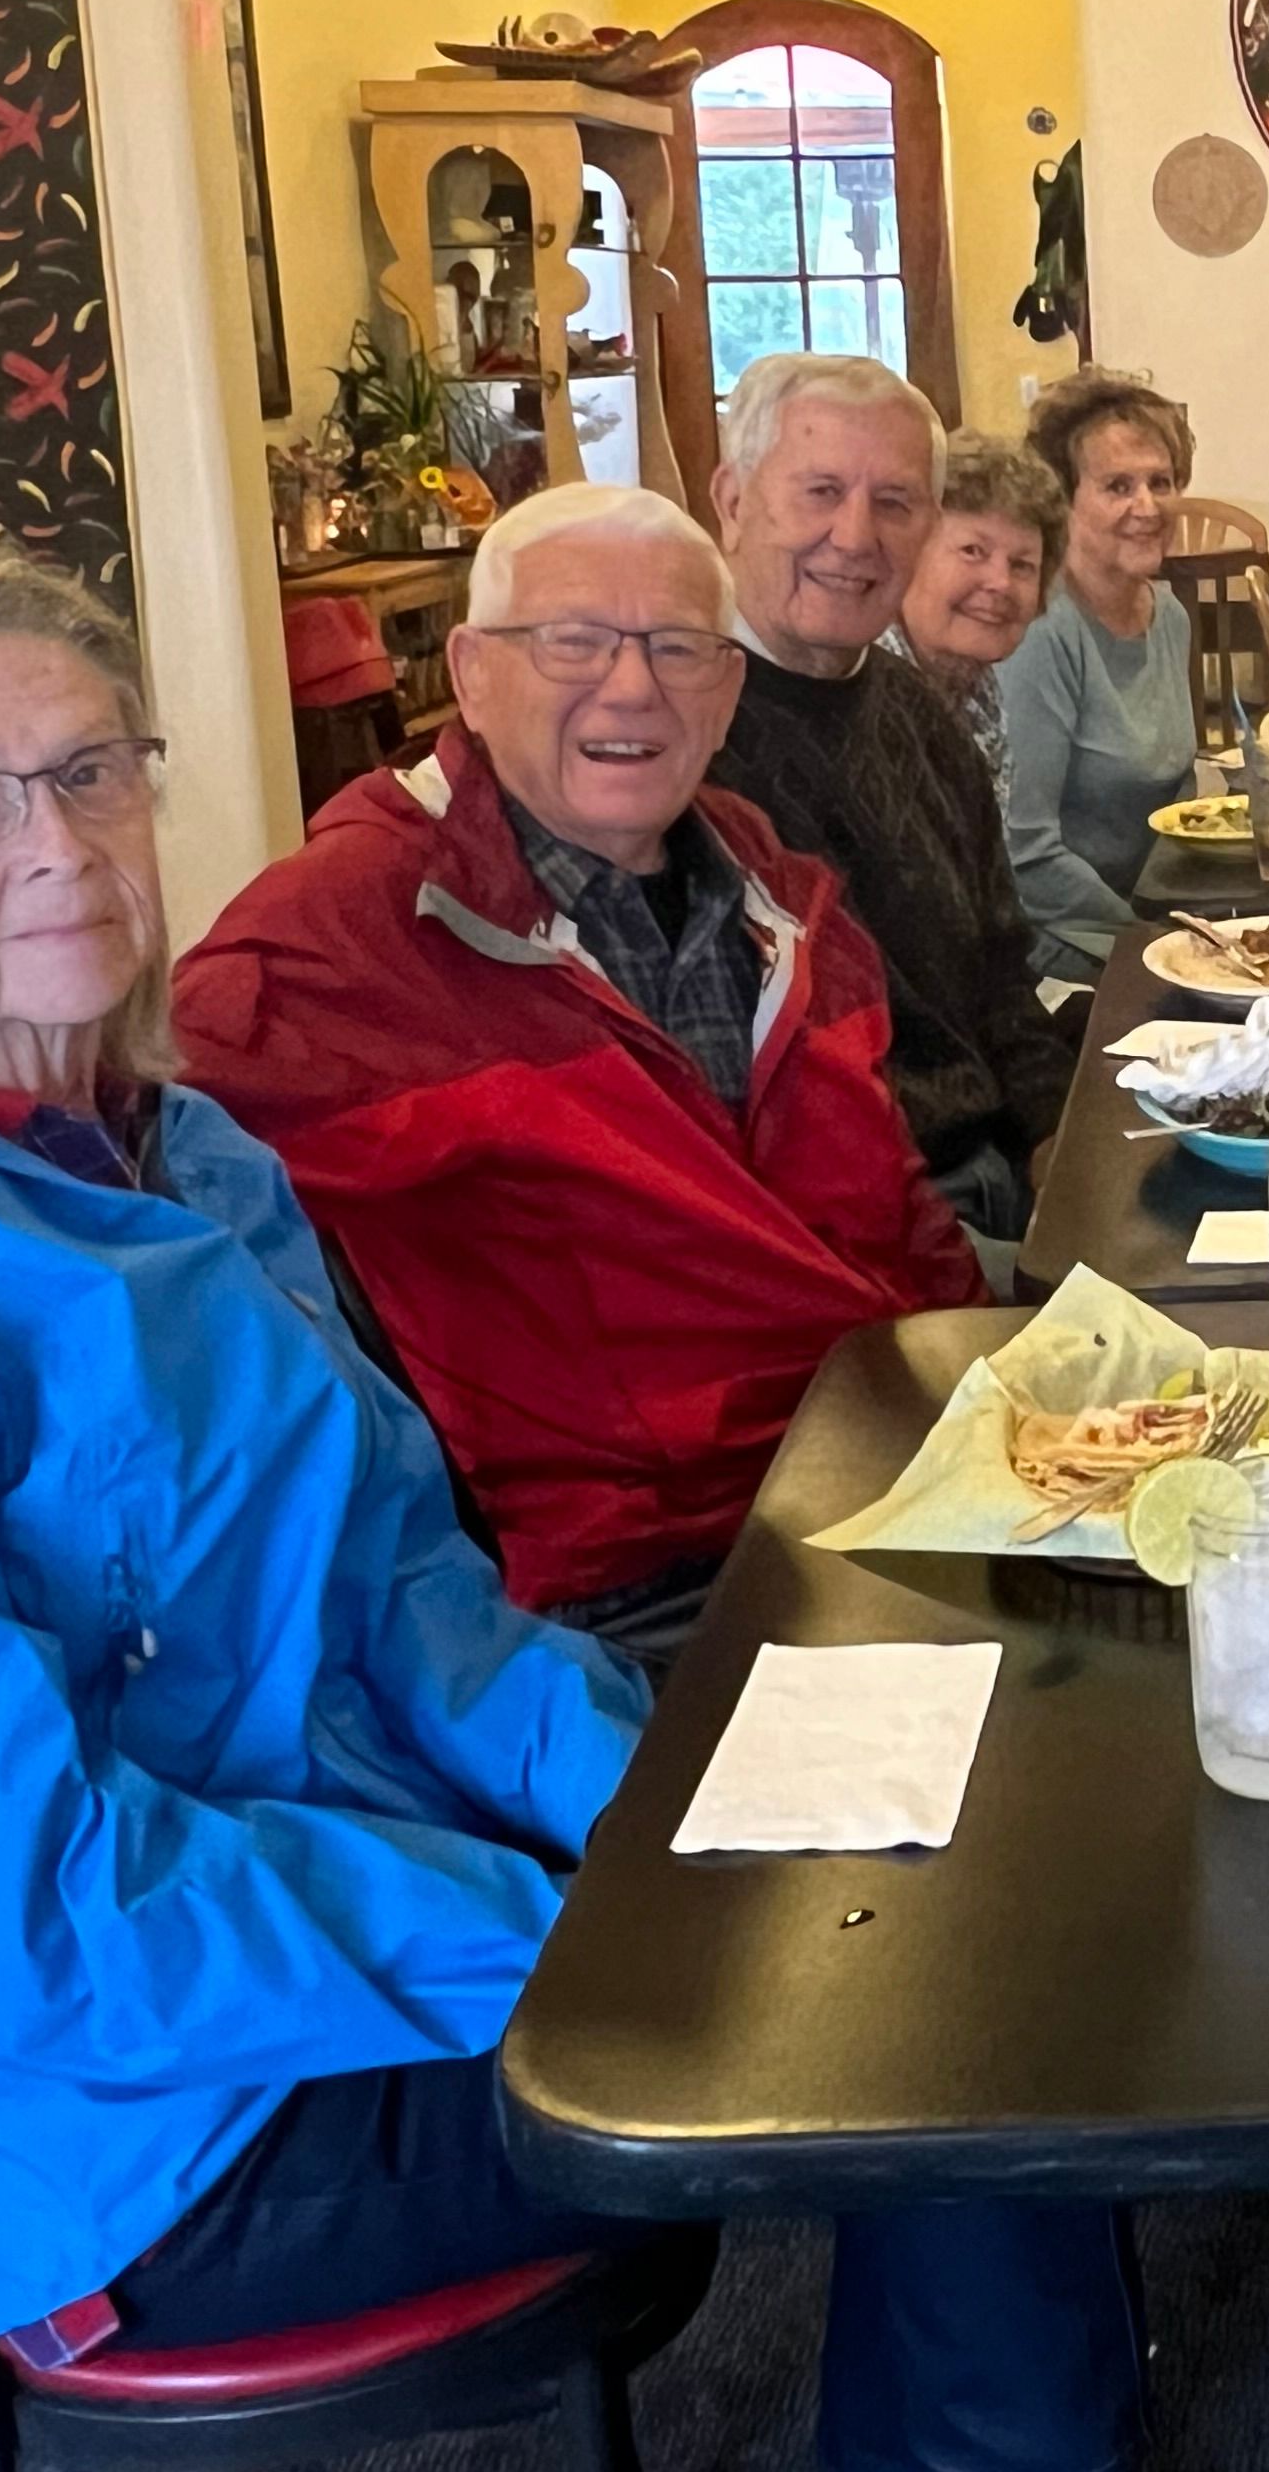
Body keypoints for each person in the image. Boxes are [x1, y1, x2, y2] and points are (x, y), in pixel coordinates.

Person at [0, 552, 1142, 2463]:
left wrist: (691, 1790)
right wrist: (558, 1920)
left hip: (378, 1914)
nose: (51, 841)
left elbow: (411, 1604)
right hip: (177, 2122)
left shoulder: (175, 1149)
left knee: (976, 1850)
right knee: (950, 2042)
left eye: (90, 772)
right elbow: (2, 1919)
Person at [174, 484, 982, 1658]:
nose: (631, 687)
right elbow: (132, 1191)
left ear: (728, 690)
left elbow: (892, 1204)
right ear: (471, 672)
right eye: (574, 641)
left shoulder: (769, 887)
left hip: (887, 1469)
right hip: (642, 1585)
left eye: (676, 648)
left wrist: (998, 1392)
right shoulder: (339, 938)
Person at [700, 355, 1073, 1248]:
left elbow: (997, 976)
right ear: (734, 499)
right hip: (862, 1227)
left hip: (995, 1179)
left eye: (896, 503)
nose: (856, 535)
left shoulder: (917, 713)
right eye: (820, 490)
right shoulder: (682, 735)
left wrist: (1067, 1155)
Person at [997, 366, 1199, 983]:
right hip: (1057, 945)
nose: (1147, 506)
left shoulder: (1169, 616)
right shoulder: (1041, 630)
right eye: (1118, 486)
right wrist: (1158, 948)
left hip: (1150, 920)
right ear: (1063, 501)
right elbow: (1026, 853)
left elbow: (1179, 794)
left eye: (1160, 482)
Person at [889, 424, 1067, 796]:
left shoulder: (977, 691)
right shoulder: (873, 701)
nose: (1000, 582)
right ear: (908, 554)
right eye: (973, 551)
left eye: (1022, 565)